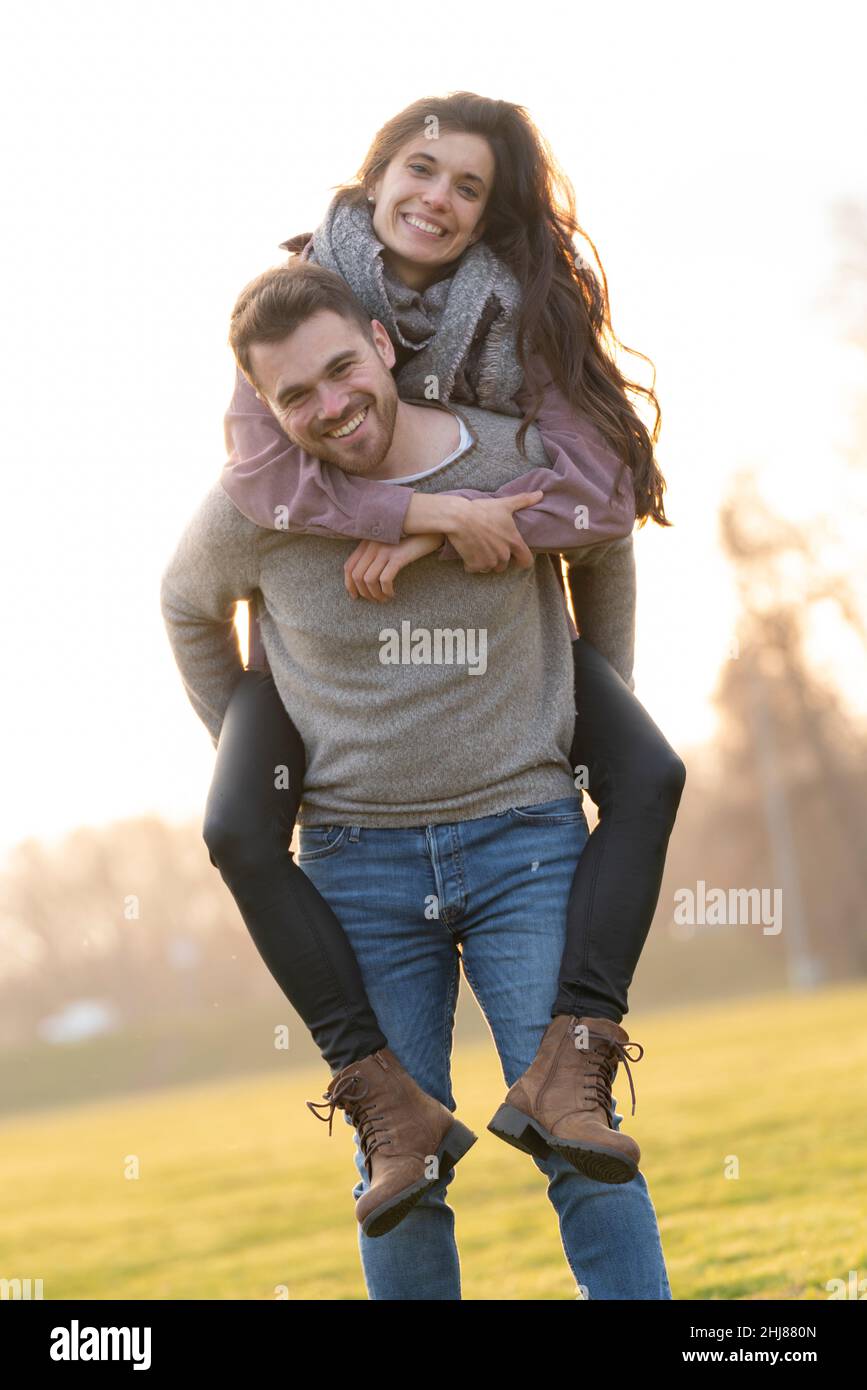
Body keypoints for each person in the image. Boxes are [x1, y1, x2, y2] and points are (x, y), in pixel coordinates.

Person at [203, 92, 684, 1214]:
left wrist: (559, 675)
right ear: (374, 178)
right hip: (327, 681)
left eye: (469, 186)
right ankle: (375, 1087)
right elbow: (265, 483)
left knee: (651, 772)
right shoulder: (295, 306)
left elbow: (604, 501)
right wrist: (415, 520)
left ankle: (574, 1059)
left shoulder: (524, 317)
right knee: (234, 825)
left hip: (508, 676)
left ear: (488, 213)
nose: (439, 198)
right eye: (422, 170)